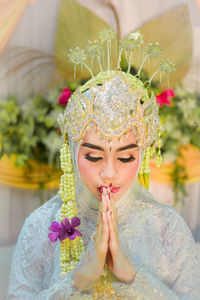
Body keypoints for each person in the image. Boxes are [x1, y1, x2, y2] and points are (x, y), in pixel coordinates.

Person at [7, 30, 200, 299]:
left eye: (125, 157)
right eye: (94, 157)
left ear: (141, 156)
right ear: (73, 153)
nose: (109, 173)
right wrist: (79, 278)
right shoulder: (40, 227)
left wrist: (131, 274)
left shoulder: (167, 229)